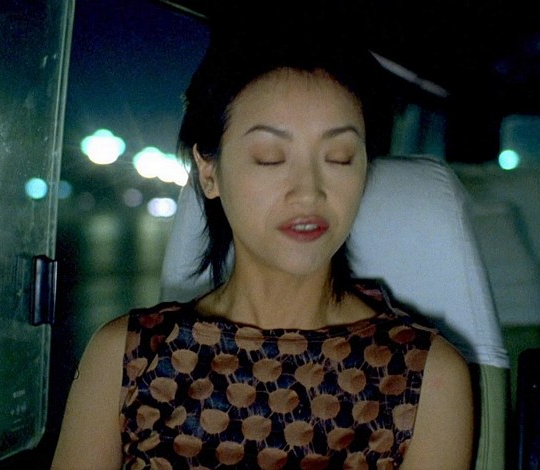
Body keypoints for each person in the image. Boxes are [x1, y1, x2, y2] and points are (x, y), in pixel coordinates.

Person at [52, 5, 473, 469]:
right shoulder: (127, 358)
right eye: (271, 158)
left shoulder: (423, 376)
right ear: (209, 171)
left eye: (339, 157)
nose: (308, 191)